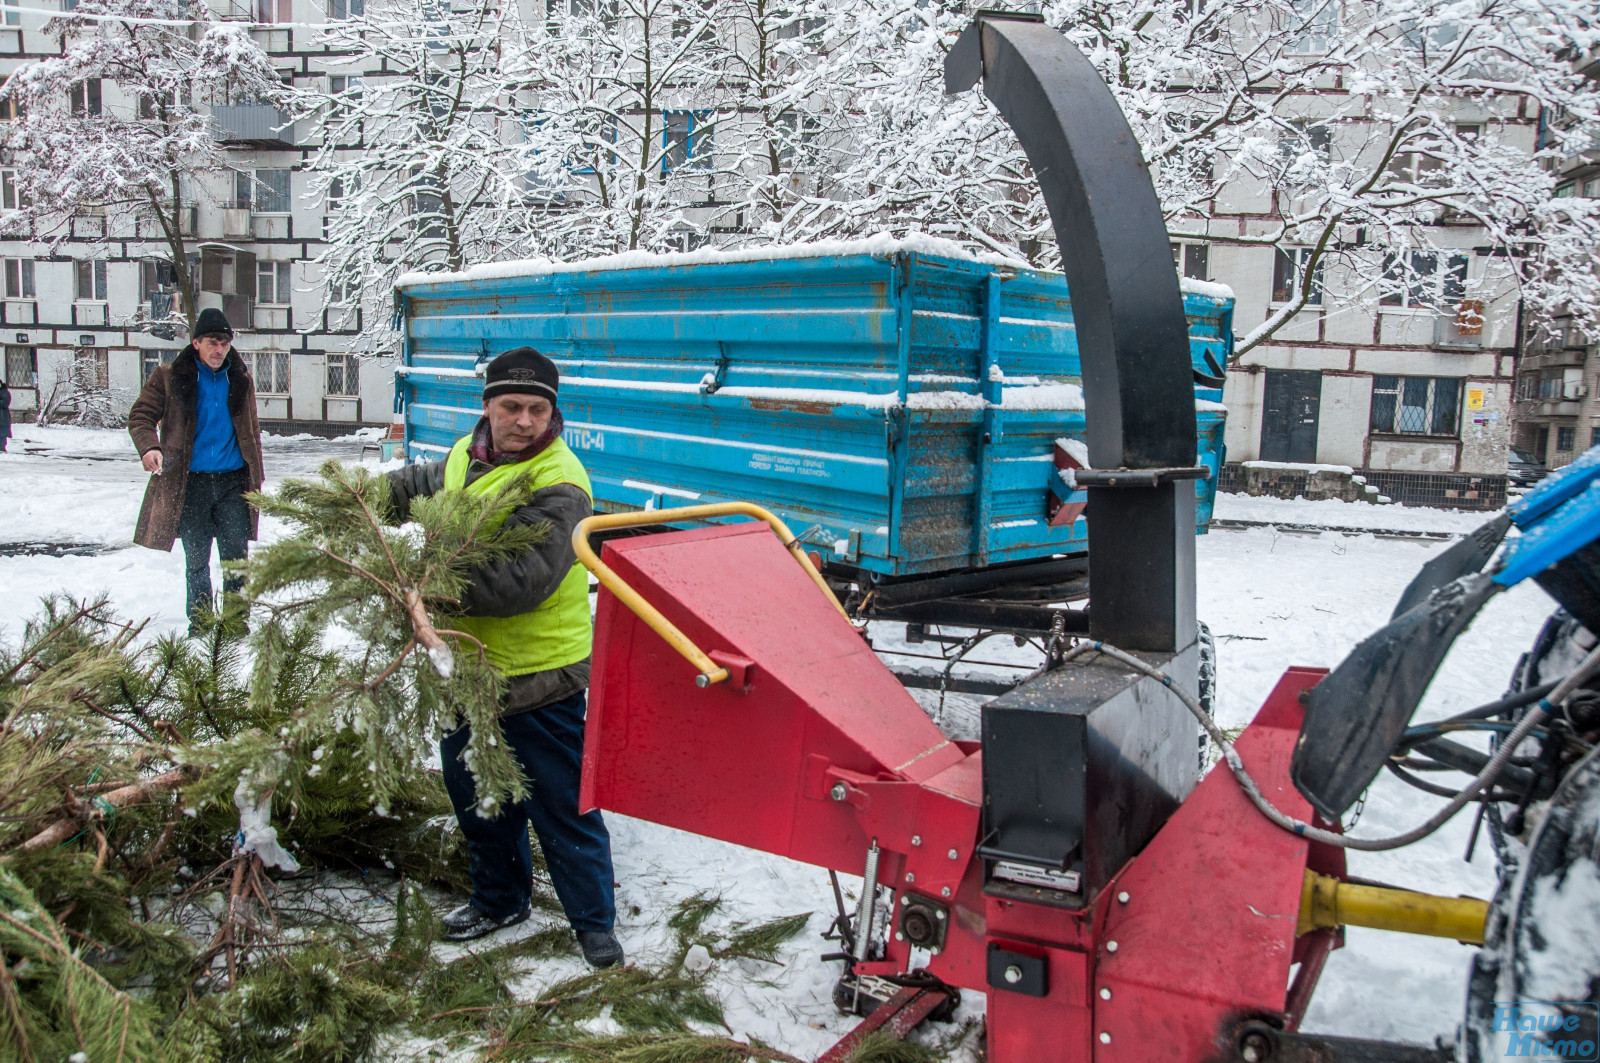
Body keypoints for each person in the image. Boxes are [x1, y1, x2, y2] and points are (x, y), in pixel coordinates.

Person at [386, 347, 622, 965]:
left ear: (552, 413)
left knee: (562, 808)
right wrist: (355, 503)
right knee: (479, 799)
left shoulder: (561, 483)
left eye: (537, 409)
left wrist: (422, 580)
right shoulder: (469, 454)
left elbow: (525, 579)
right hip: (466, 670)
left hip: (542, 678)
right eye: (512, 406)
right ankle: (498, 899)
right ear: (486, 406)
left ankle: (594, 923)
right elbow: (421, 485)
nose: (524, 420)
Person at [128, 308, 264, 635]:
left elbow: (251, 431)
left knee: (236, 559)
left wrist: (256, 474)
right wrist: (149, 447)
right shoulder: (169, 376)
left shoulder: (240, 378)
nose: (220, 350)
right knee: (197, 561)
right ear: (196, 343)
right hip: (192, 484)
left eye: (225, 343)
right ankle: (201, 625)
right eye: (213, 343)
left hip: (233, 483)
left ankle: (235, 625)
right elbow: (140, 417)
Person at [0, 377, 11, 453]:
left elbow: (5, 403)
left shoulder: (4, 392)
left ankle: (1, 449)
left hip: (2, 417)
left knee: (2, 435)